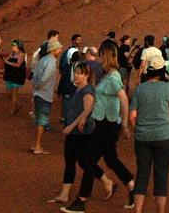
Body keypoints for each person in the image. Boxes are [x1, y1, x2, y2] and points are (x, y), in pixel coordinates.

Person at [61, 39, 134, 213]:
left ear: (105, 55)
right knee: (110, 159)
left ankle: (82, 200)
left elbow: (123, 99)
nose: (99, 58)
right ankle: (132, 186)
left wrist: (124, 124)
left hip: (106, 126)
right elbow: (99, 101)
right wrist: (86, 116)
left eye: (101, 54)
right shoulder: (108, 76)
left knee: (89, 160)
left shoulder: (113, 77)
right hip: (103, 123)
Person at [49, 62, 111, 206]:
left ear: (87, 75)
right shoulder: (78, 89)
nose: (76, 75)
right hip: (75, 133)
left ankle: (106, 181)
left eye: (80, 73)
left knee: (83, 162)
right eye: (75, 72)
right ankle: (64, 194)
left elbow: (87, 110)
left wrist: (71, 126)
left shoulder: (87, 91)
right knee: (71, 161)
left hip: (82, 134)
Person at [128, 57, 169, 213]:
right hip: (164, 136)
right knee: (161, 175)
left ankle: (138, 211)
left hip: (143, 137)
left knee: (142, 174)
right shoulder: (167, 88)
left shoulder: (140, 89)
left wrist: (137, 130)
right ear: (162, 71)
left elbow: (132, 116)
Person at [32, 40, 62, 155]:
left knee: (39, 119)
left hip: (38, 94)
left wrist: (35, 88)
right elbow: (44, 79)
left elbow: (36, 75)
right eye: (58, 48)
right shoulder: (51, 62)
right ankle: (38, 146)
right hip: (44, 95)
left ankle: (35, 144)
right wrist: (38, 87)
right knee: (42, 121)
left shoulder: (43, 59)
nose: (60, 50)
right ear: (54, 50)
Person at [3, 40, 28, 116]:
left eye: (14, 46)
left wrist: (7, 62)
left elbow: (18, 65)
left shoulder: (22, 54)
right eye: (12, 45)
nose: (13, 47)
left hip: (17, 76)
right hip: (10, 75)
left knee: (14, 92)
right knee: (8, 92)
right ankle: (18, 103)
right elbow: (7, 60)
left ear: (19, 46)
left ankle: (13, 109)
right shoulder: (12, 53)